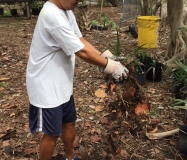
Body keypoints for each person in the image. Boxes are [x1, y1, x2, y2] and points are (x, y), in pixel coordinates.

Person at [26, 0, 129, 159]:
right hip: (46, 87)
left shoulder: (66, 11)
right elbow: (81, 52)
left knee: (69, 123)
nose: (79, 1)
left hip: (62, 85)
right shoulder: (52, 15)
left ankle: (69, 158)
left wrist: (105, 57)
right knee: (52, 134)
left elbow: (80, 40)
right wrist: (111, 67)